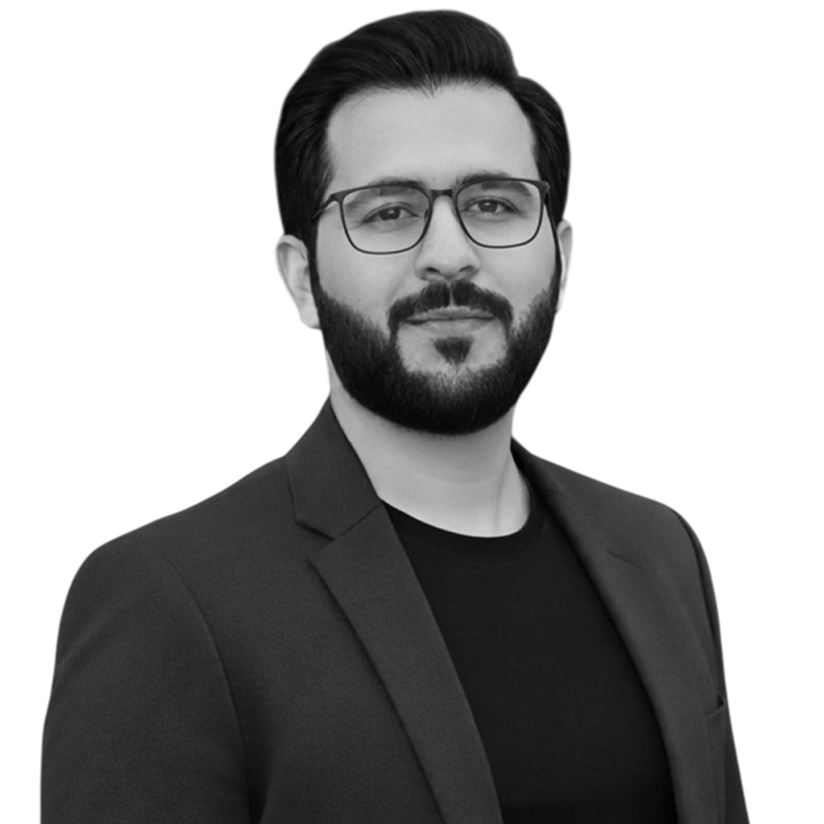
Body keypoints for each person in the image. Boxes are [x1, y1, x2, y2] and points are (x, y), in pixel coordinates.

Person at [40, 9, 749, 824]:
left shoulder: (662, 549)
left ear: (562, 262)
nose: (449, 255)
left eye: (493, 203)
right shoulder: (164, 597)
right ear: (301, 281)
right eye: (388, 211)